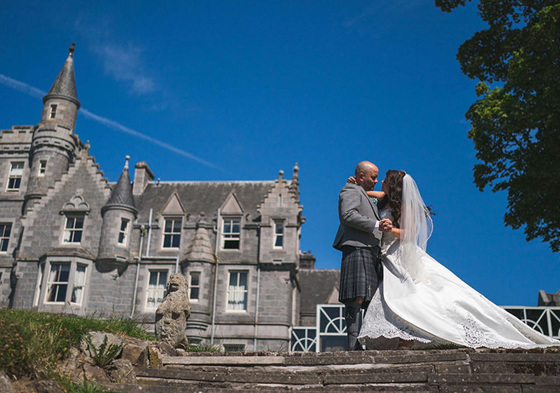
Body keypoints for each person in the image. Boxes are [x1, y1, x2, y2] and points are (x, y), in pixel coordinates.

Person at [357, 170, 560, 349]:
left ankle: (407, 338)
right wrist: (354, 184)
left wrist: (389, 229)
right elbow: (364, 193)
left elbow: (410, 233)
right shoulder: (385, 198)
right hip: (388, 254)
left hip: (399, 253)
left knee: (407, 292)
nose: (380, 181)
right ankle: (404, 336)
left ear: (392, 185)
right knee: (396, 293)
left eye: (384, 179)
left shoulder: (405, 206)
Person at [333, 161, 393, 350]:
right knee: (355, 295)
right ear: (361, 177)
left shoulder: (363, 193)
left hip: (372, 250)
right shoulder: (350, 190)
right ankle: (352, 343)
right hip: (357, 247)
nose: (376, 181)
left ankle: (366, 341)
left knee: (369, 297)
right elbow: (347, 215)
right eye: (373, 177)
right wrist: (376, 225)